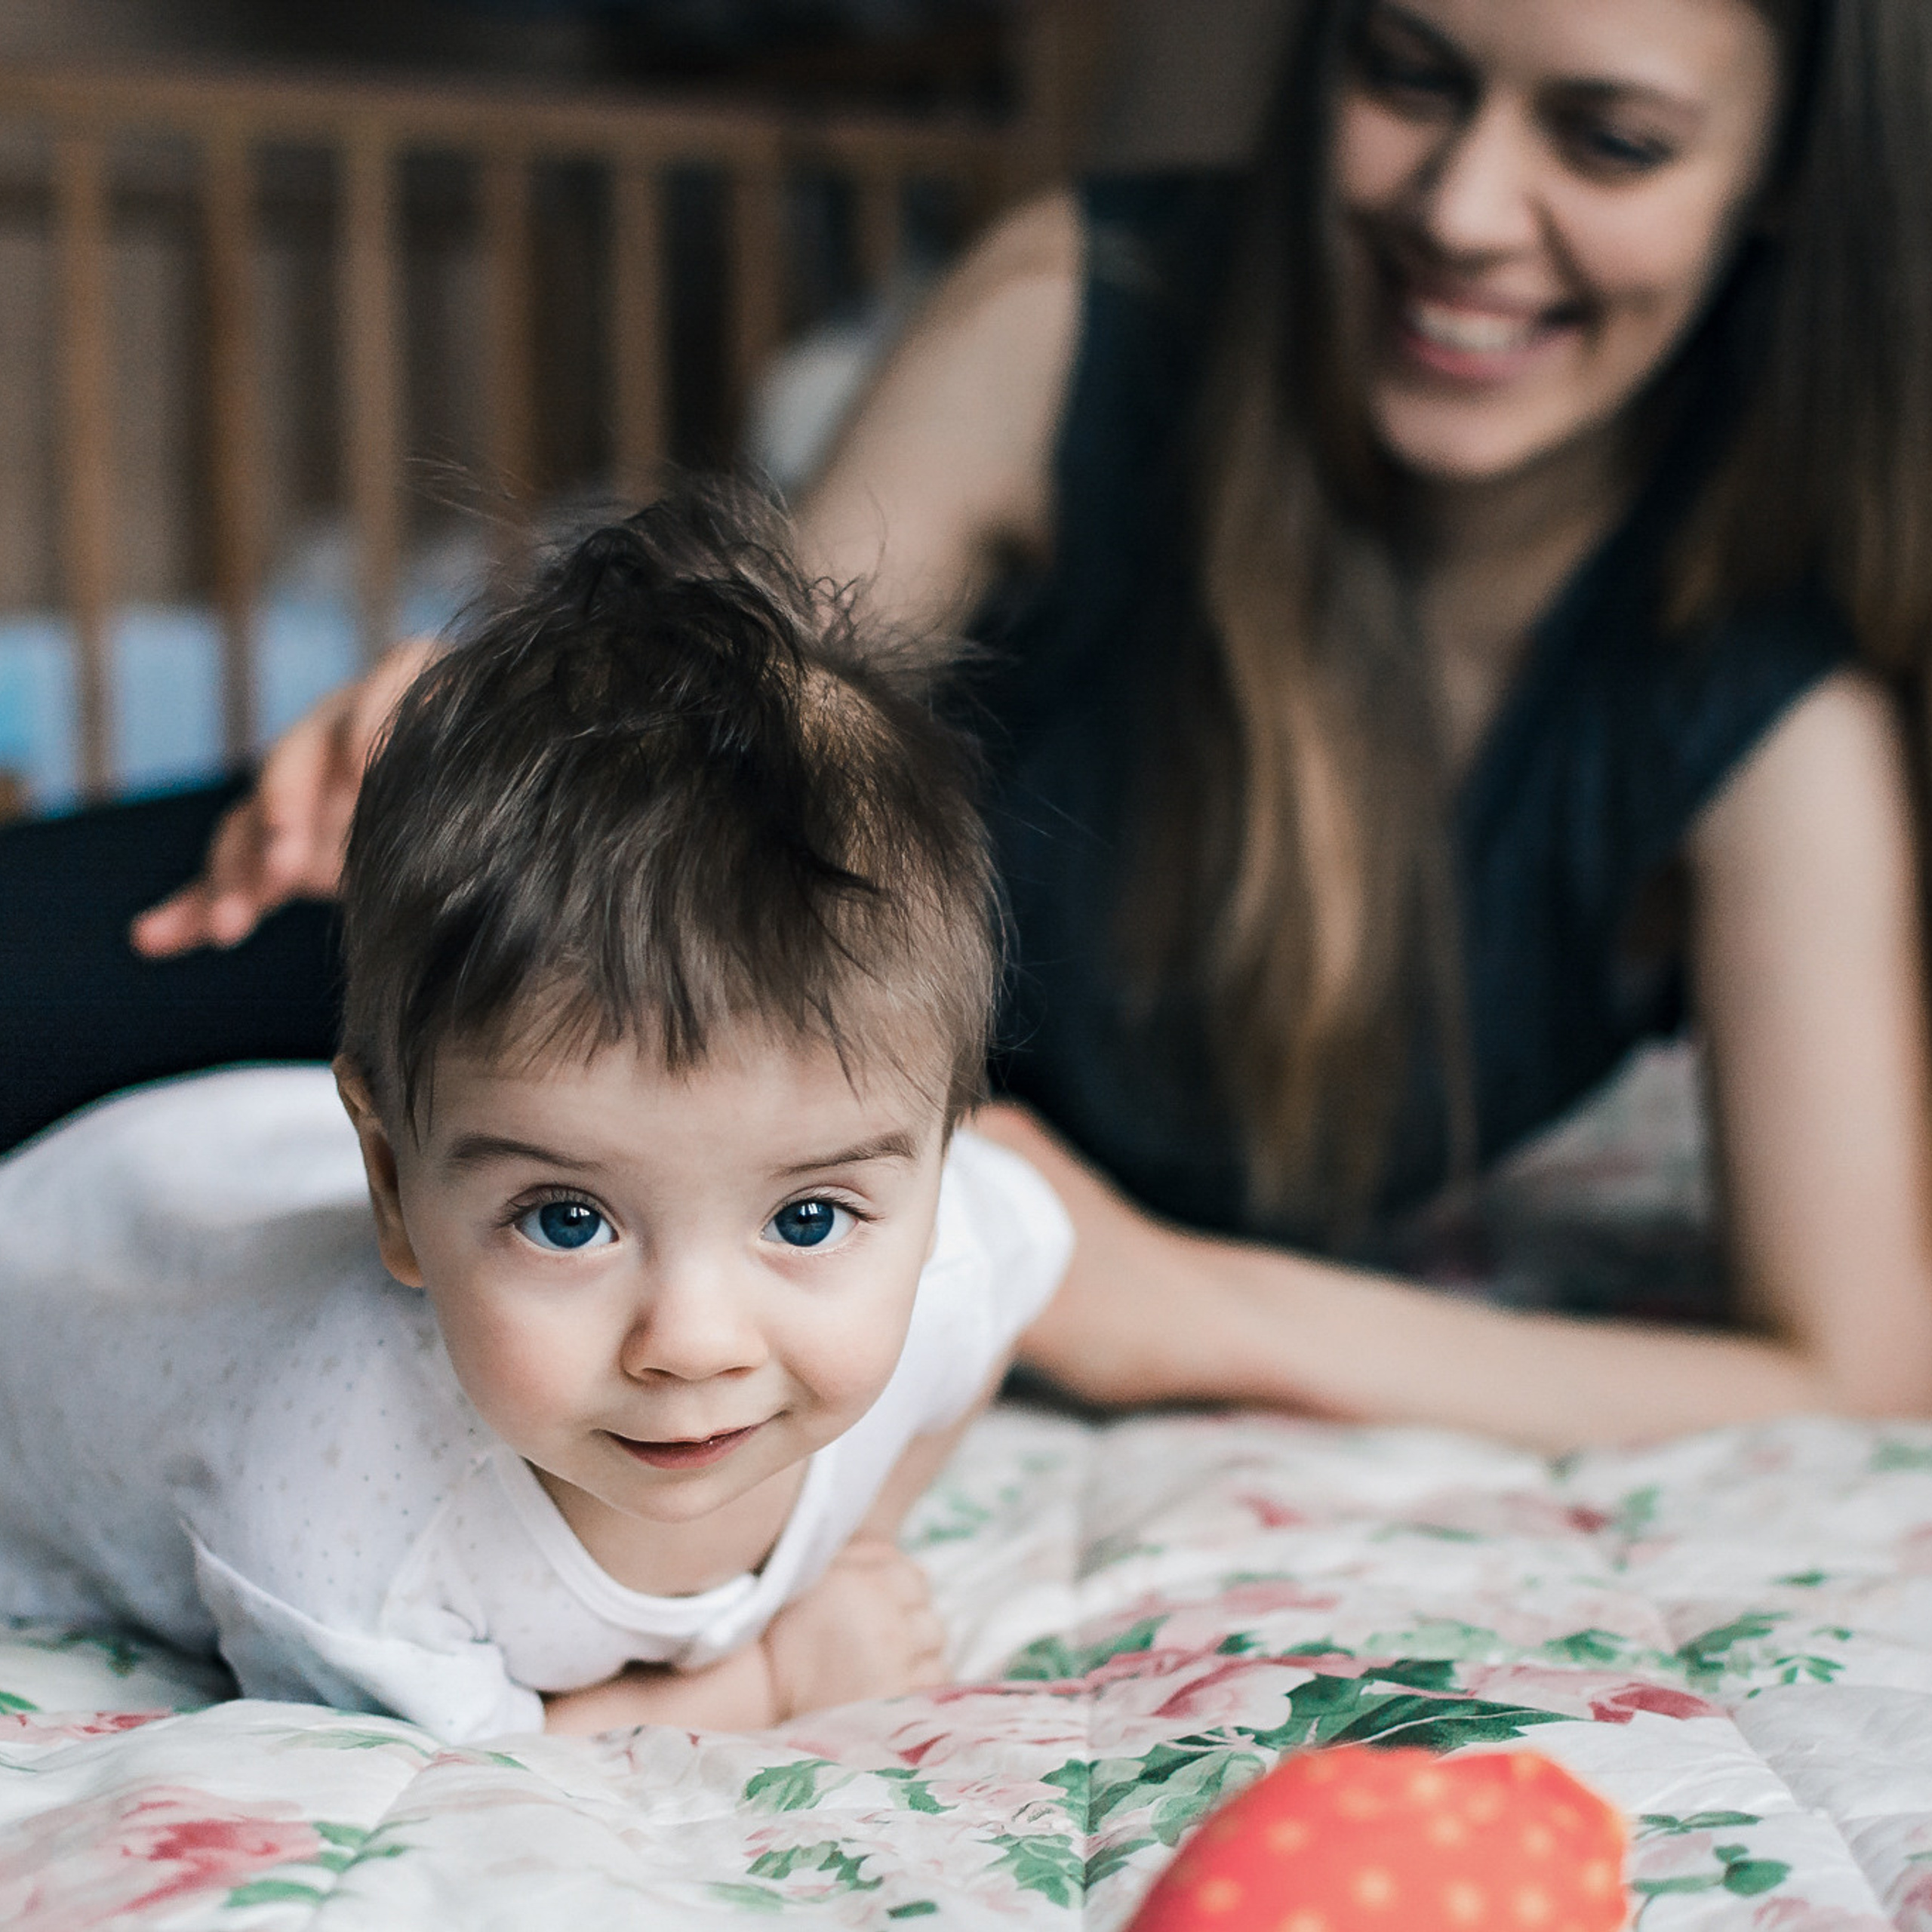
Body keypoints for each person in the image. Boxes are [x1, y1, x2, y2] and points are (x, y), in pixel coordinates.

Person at [7, 0, 1932, 1449]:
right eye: (1409, 77)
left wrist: (1183, 1309)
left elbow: (1844, 1359)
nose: (1461, 208)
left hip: (772, 1224)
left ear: (1771, 184)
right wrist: (513, 699)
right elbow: (748, 674)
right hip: (484, 966)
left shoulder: (1774, 732)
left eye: (1604, 141)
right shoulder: (1084, 309)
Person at [0, 487, 1071, 1743]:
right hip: (73, 1254)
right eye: (568, 1221)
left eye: (810, 1215)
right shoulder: (347, 1530)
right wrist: (774, 1676)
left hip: (244, 1153)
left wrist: (860, 1533)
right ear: (393, 1187)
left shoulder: (948, 1257)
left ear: (936, 1163)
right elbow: (453, 1770)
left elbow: (1016, 1259)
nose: (694, 1343)